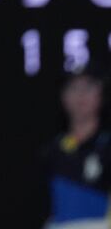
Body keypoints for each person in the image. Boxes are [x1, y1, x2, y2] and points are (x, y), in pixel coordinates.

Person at [41, 67, 111, 229]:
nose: (81, 95)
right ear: (63, 96)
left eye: (88, 87)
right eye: (73, 87)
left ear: (101, 94)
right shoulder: (51, 151)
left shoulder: (107, 147)